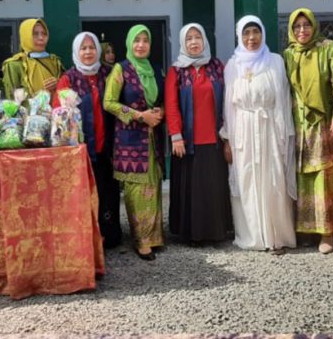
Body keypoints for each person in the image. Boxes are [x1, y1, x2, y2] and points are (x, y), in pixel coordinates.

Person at [222, 15, 296, 253]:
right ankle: (252, 235)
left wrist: (284, 132)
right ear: (239, 36)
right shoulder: (232, 65)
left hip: (270, 128)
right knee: (247, 179)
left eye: (255, 32)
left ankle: (277, 236)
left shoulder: (275, 61)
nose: (251, 38)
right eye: (246, 33)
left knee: (273, 178)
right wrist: (228, 139)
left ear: (263, 33)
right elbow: (228, 106)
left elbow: (283, 99)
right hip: (243, 128)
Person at [282, 8, 333, 254]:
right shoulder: (289, 55)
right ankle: (306, 230)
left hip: (322, 124)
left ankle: (327, 233)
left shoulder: (328, 48)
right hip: (298, 125)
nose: (302, 30)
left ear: (314, 26)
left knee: (324, 179)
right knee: (303, 178)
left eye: (306, 25)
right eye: (297, 26)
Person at [165, 23, 231, 245]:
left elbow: (228, 101)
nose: (194, 42)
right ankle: (192, 234)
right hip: (186, 141)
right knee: (191, 189)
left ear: (205, 40)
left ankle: (216, 232)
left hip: (214, 139)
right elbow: (171, 104)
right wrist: (176, 135)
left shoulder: (217, 66)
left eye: (198, 37)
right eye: (189, 38)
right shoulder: (177, 70)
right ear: (183, 43)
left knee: (212, 187)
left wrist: (228, 134)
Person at [103, 24, 165, 260]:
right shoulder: (121, 68)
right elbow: (108, 102)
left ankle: (155, 236)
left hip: (152, 137)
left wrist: (159, 113)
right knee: (137, 190)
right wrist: (140, 115)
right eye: (136, 40)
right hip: (130, 140)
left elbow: (161, 98)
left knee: (154, 185)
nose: (141, 45)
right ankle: (141, 241)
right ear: (129, 43)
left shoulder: (155, 69)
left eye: (145, 40)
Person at [56, 31, 122, 248]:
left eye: (91, 47)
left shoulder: (110, 73)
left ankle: (109, 236)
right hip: (82, 149)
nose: (88, 52)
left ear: (98, 50)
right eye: (83, 48)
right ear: (76, 51)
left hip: (108, 145)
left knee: (108, 191)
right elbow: (60, 114)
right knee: (84, 194)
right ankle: (87, 239)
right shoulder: (69, 78)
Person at [1, 17, 63, 98]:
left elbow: (67, 89)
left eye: (44, 33)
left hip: (56, 110)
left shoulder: (54, 61)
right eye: (35, 34)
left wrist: (59, 83)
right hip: (29, 111)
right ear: (25, 36)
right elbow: (12, 100)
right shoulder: (15, 64)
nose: (41, 38)